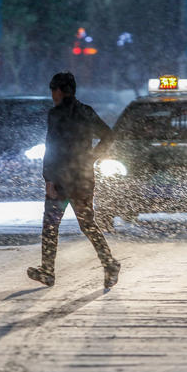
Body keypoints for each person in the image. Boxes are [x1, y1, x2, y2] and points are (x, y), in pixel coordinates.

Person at [27, 71, 121, 289]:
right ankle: (109, 264)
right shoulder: (86, 112)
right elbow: (109, 135)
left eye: (53, 90)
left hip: (61, 180)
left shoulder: (56, 114)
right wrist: (91, 158)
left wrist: (48, 179)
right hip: (83, 179)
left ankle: (48, 271)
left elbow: (52, 148)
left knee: (51, 225)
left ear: (59, 91)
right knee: (88, 225)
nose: (52, 95)